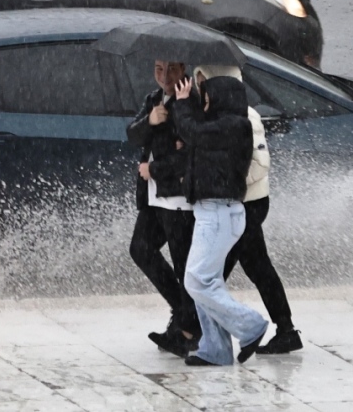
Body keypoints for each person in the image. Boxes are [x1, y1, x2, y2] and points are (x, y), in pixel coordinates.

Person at [194, 65, 302, 354]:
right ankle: (285, 328)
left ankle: (200, 331)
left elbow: (261, 163)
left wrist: (228, 182)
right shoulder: (212, 114)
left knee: (212, 272)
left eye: (207, 84)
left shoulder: (246, 116)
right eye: (200, 84)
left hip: (248, 204)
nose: (202, 90)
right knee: (255, 265)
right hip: (235, 204)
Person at [174, 75, 268, 367]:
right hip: (213, 213)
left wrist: (180, 105)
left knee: (197, 280)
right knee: (206, 281)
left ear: (222, 97)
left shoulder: (235, 125)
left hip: (219, 214)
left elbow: (195, 131)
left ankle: (250, 325)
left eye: (207, 99)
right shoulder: (221, 126)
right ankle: (215, 349)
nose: (204, 104)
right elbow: (196, 134)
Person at [127, 60, 201, 358]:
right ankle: (184, 313)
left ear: (183, 69)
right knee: (140, 248)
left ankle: (187, 329)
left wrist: (154, 168)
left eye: (171, 69)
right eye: (158, 68)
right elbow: (132, 134)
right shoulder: (153, 99)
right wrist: (151, 121)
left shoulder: (191, 101)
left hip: (179, 199)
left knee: (186, 267)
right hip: (155, 197)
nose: (164, 76)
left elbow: (192, 152)